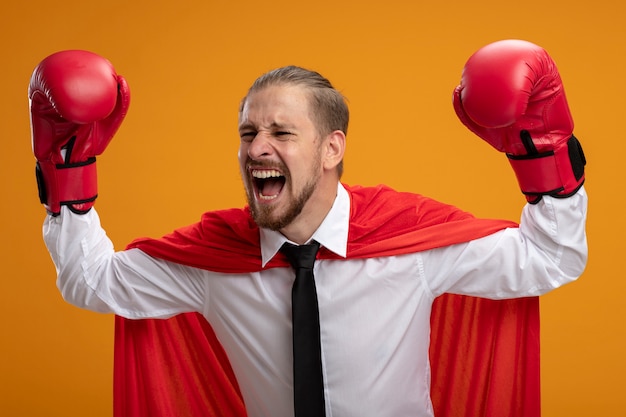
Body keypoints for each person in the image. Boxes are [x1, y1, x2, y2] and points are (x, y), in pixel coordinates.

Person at [31, 39, 588, 417]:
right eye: (248, 133)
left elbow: (550, 259)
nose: (258, 149)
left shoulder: (409, 241)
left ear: (331, 148)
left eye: (281, 132)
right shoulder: (212, 263)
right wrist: (67, 172)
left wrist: (541, 153)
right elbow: (92, 281)